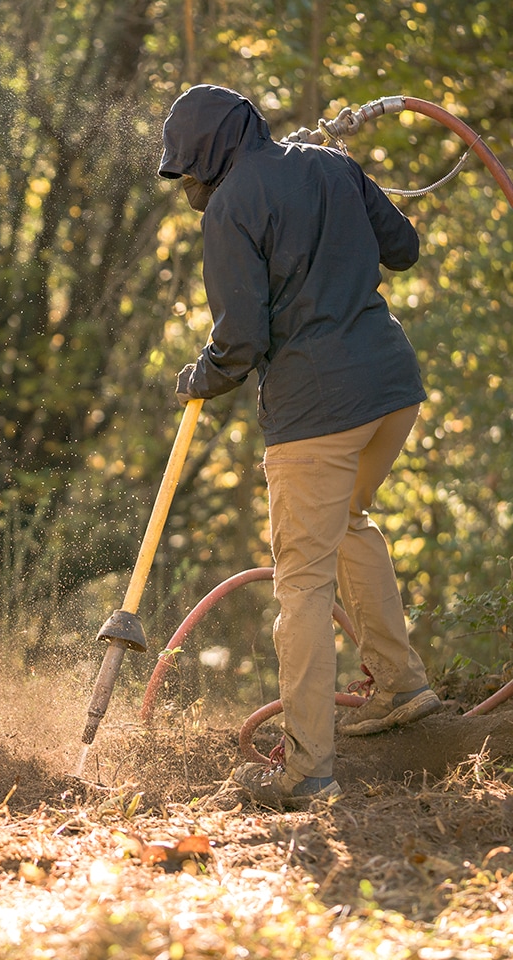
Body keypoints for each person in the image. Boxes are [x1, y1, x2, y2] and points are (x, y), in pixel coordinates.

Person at [159, 84, 442, 808]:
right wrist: (336, 185)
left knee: (304, 585)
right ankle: (402, 686)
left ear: (211, 157)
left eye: (188, 171)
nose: (187, 187)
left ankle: (308, 768)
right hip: (391, 392)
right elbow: (402, 249)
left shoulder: (230, 207)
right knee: (349, 522)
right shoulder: (329, 165)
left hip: (317, 413)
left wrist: (200, 377)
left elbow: (242, 339)